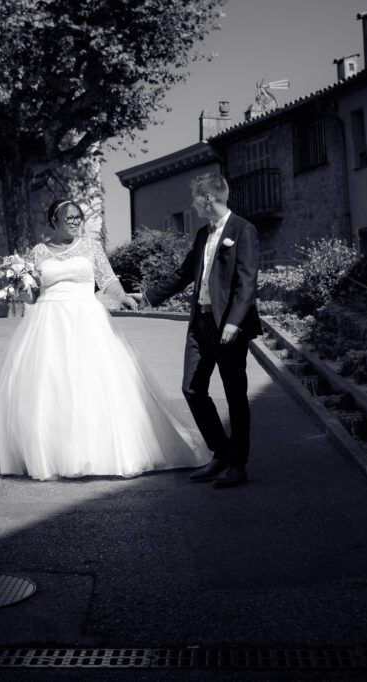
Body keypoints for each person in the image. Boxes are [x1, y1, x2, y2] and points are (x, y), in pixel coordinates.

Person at [0, 199, 210, 479]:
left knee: (93, 383)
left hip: (87, 319)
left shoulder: (90, 247)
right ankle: (47, 451)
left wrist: (123, 297)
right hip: (47, 323)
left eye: (78, 218)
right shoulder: (38, 252)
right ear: (54, 221)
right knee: (48, 386)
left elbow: (107, 280)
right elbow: (34, 295)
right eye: (69, 217)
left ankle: (96, 451)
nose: (75, 222)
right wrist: (19, 286)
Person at [133, 173, 261, 489]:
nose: (193, 205)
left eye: (195, 199)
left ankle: (237, 466)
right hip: (200, 324)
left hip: (229, 327)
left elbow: (247, 282)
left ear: (208, 199)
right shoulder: (204, 234)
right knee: (192, 388)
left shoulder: (243, 230)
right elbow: (183, 274)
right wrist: (148, 296)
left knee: (235, 395)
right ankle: (220, 452)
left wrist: (233, 322)